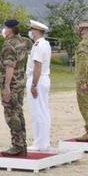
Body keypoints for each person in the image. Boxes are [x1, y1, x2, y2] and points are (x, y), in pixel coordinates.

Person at [0, 19, 29, 156]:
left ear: (9, 30)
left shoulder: (9, 45)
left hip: (12, 84)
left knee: (12, 115)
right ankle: (22, 144)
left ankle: (17, 145)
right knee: (18, 113)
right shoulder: (22, 42)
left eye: (5, 28)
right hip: (20, 82)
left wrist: (6, 87)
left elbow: (9, 66)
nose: (4, 30)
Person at [26, 20, 52, 151]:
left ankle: (39, 143)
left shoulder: (38, 45)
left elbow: (37, 66)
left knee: (38, 112)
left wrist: (34, 85)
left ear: (36, 31)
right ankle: (44, 141)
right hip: (44, 79)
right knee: (44, 111)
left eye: (31, 30)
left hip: (38, 80)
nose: (30, 32)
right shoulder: (45, 44)